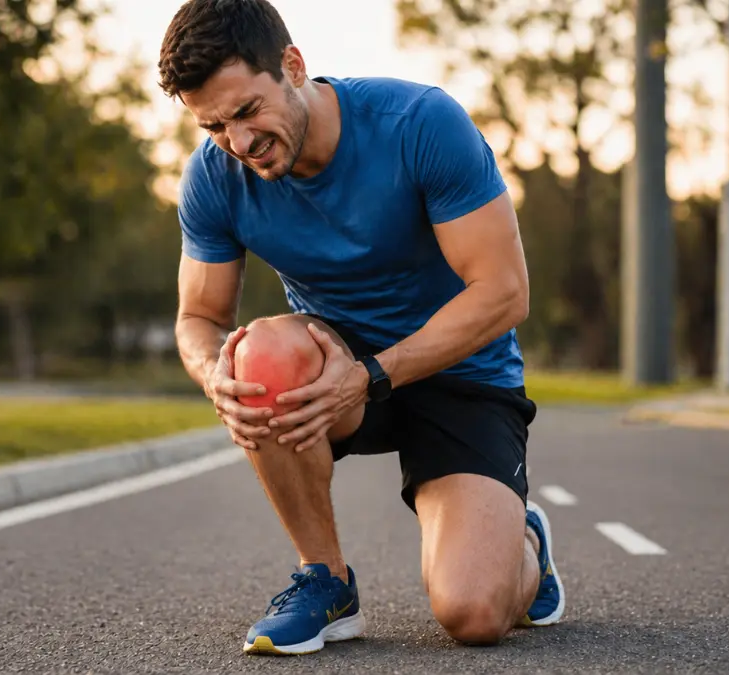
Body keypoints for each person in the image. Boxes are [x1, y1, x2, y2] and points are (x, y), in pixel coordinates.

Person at [157, 0, 565, 656]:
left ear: (293, 66)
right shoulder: (214, 178)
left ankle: (525, 542)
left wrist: (371, 375)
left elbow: (504, 293)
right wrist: (214, 375)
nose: (238, 142)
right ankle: (324, 577)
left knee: (473, 614)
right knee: (250, 356)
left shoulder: (420, 125)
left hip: (459, 371)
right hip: (332, 364)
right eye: (213, 127)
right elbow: (200, 318)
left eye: (245, 112)